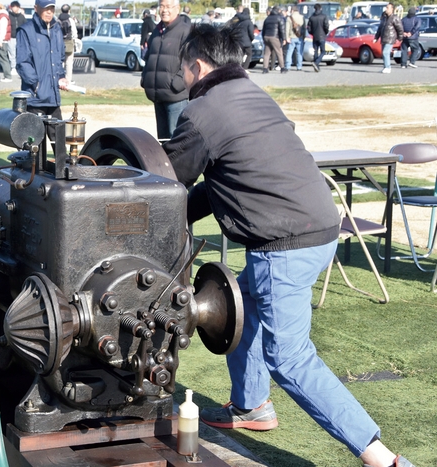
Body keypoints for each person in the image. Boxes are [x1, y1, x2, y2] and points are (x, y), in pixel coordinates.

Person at [163, 23, 417, 467]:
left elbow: (166, 181)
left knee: (291, 360)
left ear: (197, 66)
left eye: (183, 71)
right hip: (321, 228)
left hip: (284, 245)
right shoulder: (256, 97)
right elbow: (228, 180)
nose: (182, 80)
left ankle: (382, 458)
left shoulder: (202, 112)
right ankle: (251, 406)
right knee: (240, 305)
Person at [16, 0, 68, 141]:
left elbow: (59, 58)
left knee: (59, 143)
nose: (49, 12)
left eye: (52, 8)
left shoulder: (57, 29)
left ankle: (61, 164)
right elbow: (22, 63)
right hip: (34, 99)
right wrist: (36, 85)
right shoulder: (26, 30)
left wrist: (61, 77)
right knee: (36, 146)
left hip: (53, 99)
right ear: (36, 8)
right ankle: (36, 164)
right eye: (46, 8)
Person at [140, 0, 190, 140]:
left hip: (176, 97)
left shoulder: (185, 31)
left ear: (177, 8)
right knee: (162, 142)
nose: (164, 10)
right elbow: (149, 57)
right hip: (158, 95)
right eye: (161, 6)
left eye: (168, 7)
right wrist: (145, 79)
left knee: (176, 141)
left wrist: (177, 84)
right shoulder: (157, 31)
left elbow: (190, 62)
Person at [374, 3, 403, 74]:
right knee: (383, 53)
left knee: (385, 52)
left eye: (388, 8)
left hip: (390, 38)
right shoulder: (384, 18)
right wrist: (376, 37)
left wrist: (400, 38)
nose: (386, 9)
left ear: (392, 9)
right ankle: (385, 67)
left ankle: (388, 67)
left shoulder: (394, 18)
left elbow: (400, 28)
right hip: (384, 38)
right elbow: (380, 28)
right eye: (386, 7)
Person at [261, 6, 286, 73]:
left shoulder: (267, 19)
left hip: (266, 37)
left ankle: (265, 69)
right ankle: (282, 68)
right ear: (277, 11)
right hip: (274, 37)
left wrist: (263, 38)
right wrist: (283, 39)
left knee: (266, 54)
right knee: (279, 52)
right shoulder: (279, 18)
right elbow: (282, 30)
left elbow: (263, 30)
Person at [57, 4, 76, 84]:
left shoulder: (57, 20)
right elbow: (74, 32)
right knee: (69, 62)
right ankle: (68, 79)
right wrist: (74, 39)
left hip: (59, 42)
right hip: (69, 42)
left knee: (60, 61)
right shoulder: (70, 20)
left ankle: (60, 78)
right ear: (69, 10)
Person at [307, 3, 329, 72]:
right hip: (322, 36)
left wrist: (312, 33)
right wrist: (325, 32)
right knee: (323, 51)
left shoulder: (311, 17)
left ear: (314, 9)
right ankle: (316, 63)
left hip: (315, 36)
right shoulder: (324, 16)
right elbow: (326, 26)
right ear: (320, 8)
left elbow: (309, 28)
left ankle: (317, 66)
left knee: (315, 51)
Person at [8, 1, 26, 75]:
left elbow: (25, 26)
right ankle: (13, 67)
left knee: (20, 53)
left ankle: (19, 67)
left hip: (20, 38)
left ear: (18, 7)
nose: (14, 8)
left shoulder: (22, 16)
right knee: (12, 53)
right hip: (11, 37)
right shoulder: (8, 16)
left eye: (16, 7)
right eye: (13, 7)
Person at [284, 6, 304, 71]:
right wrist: (304, 36)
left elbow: (287, 29)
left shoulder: (289, 18)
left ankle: (287, 66)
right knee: (299, 52)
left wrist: (287, 37)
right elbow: (304, 28)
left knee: (289, 52)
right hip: (300, 37)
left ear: (292, 11)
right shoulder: (302, 17)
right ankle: (299, 66)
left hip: (291, 37)